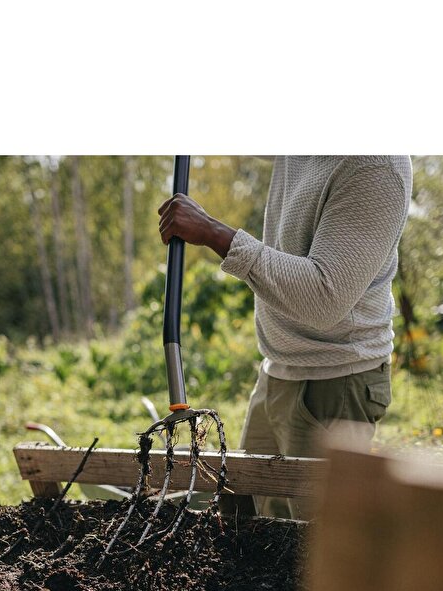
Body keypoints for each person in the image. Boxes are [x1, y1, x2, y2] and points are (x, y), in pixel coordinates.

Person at [158, 155, 413, 519]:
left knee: (316, 551)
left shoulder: (375, 166)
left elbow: (324, 299)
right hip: (276, 372)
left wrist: (215, 234)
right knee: (251, 533)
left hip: (335, 382)